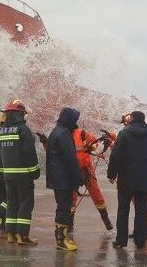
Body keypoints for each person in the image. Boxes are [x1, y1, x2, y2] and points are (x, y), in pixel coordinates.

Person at [106, 111, 147, 249]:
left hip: (126, 179)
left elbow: (116, 155)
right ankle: (140, 241)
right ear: (143, 120)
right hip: (144, 180)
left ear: (131, 119)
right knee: (142, 211)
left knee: (123, 210)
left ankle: (121, 241)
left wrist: (111, 174)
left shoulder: (124, 133)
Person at [0, 99, 41, 245]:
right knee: (25, 203)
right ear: (18, 114)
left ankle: (10, 234)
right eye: (23, 114)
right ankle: (22, 236)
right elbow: (29, 152)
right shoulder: (23, 129)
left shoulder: (1, 130)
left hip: (8, 175)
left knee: (12, 202)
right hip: (23, 176)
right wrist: (35, 171)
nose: (24, 117)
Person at [46, 107, 82, 251]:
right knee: (64, 208)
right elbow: (71, 159)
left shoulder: (56, 131)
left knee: (63, 207)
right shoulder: (64, 134)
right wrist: (77, 177)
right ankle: (61, 240)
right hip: (63, 178)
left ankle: (62, 237)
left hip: (58, 177)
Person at [70, 127, 113, 232]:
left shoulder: (82, 133)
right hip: (71, 170)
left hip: (86, 170)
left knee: (96, 195)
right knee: (70, 199)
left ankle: (106, 219)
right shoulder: (62, 134)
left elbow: (95, 146)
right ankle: (69, 224)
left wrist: (103, 144)